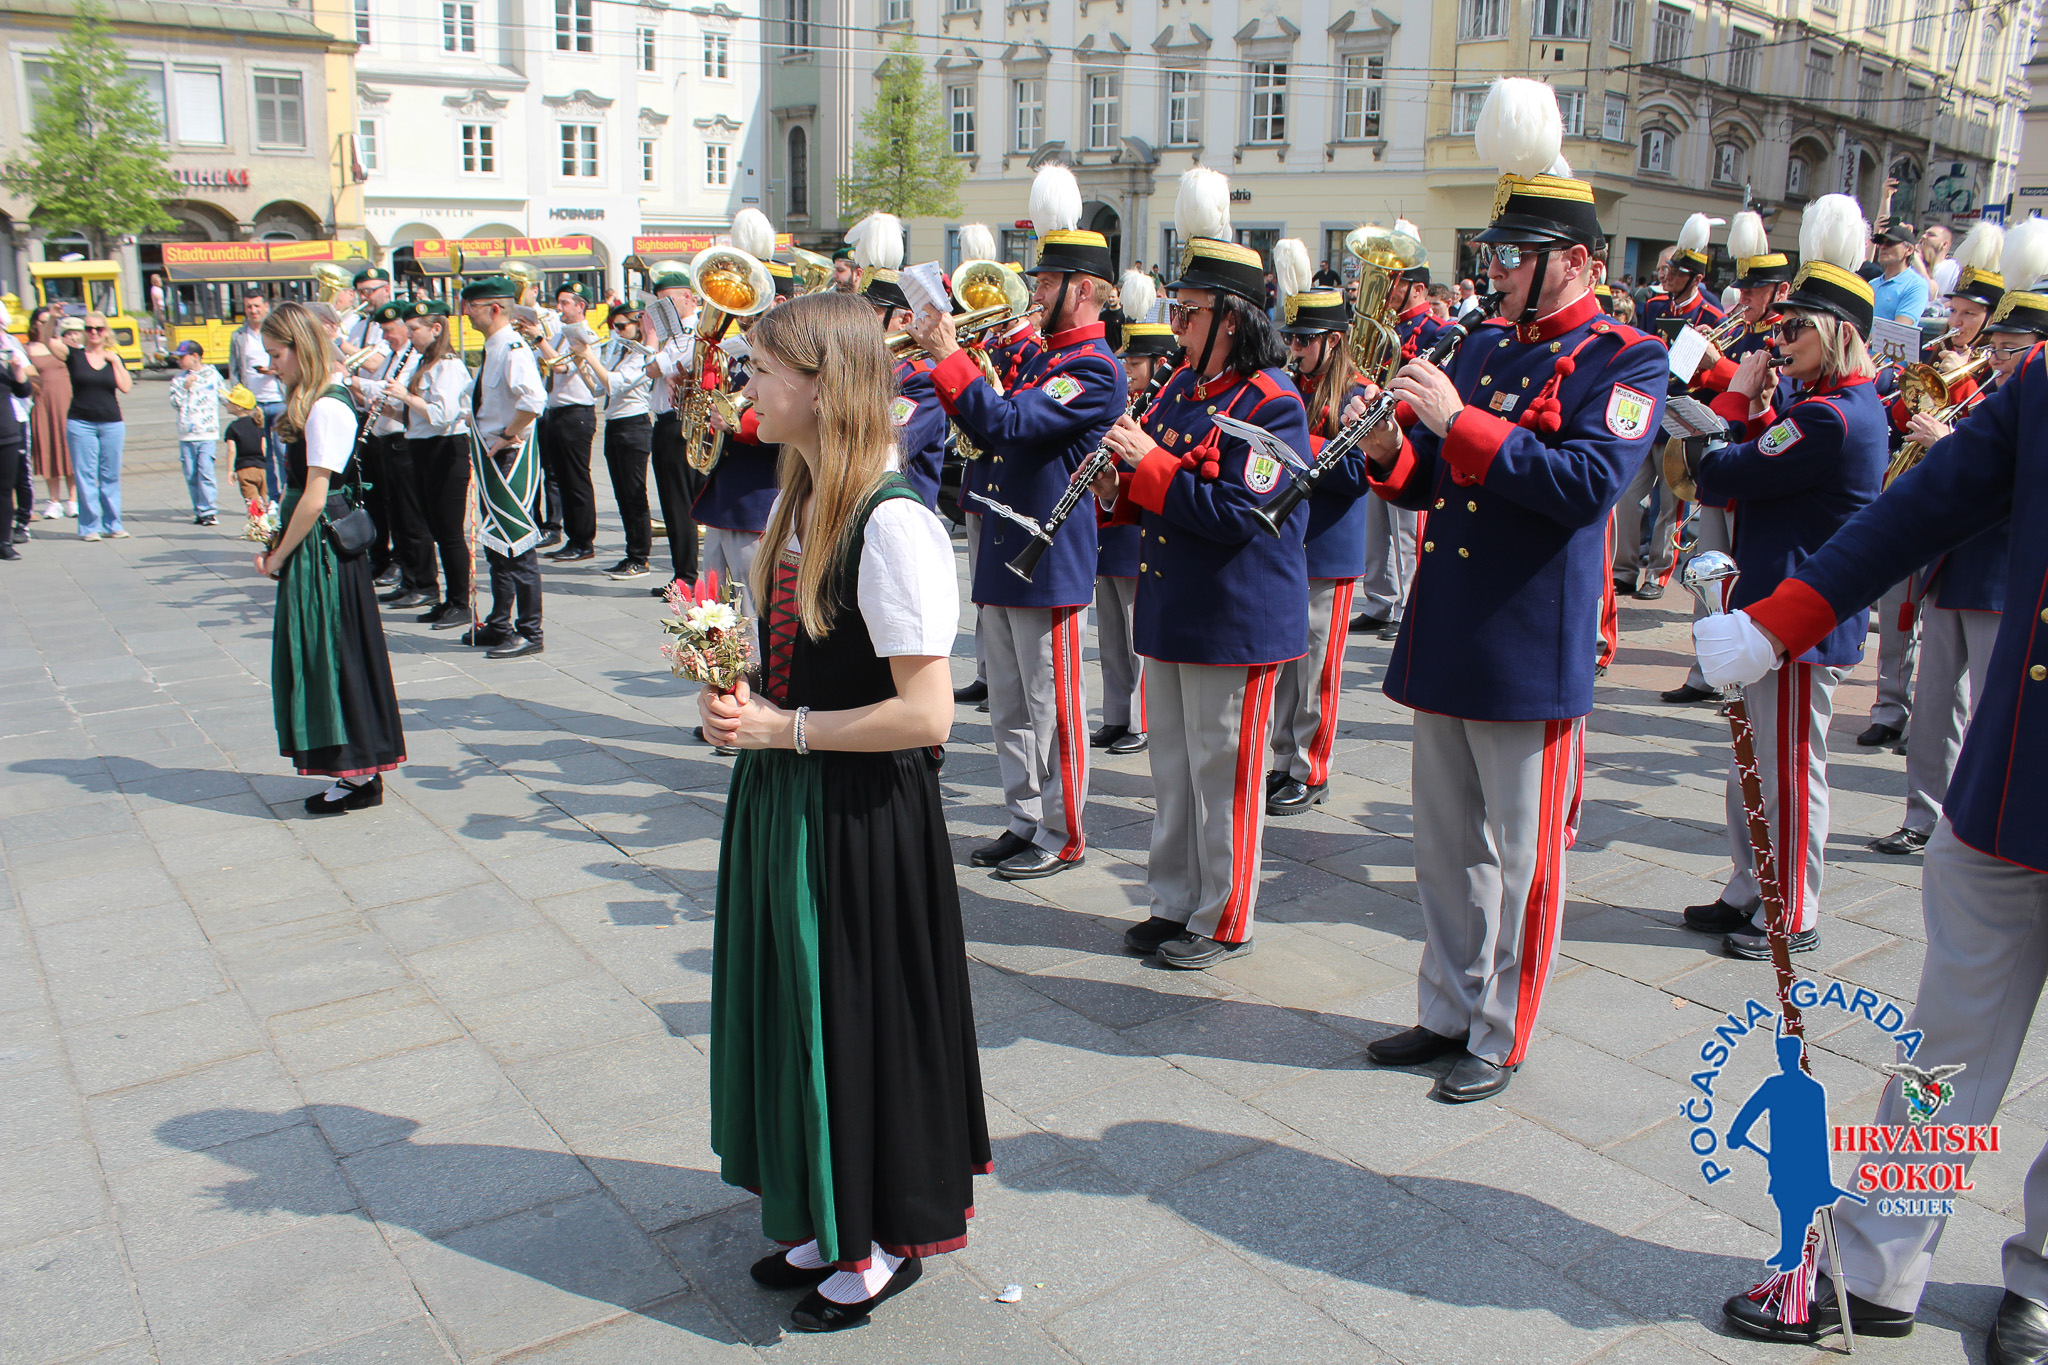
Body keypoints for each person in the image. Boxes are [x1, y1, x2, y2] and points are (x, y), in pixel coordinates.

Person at [1689, 248, 2048, 1359]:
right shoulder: (2042, 381)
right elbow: (1920, 507)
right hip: (2013, 782)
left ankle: (2041, 1277)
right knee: (1945, 1055)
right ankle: (1878, 1261)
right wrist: (1774, 623)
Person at [1354, 77, 1666, 1102]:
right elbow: (1434, 482)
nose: (1493, 270)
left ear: (1574, 261)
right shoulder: (1486, 345)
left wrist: (1458, 422)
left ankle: (1500, 1028)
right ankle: (1445, 1007)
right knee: (1444, 846)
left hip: (1528, 640)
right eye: (1494, 253)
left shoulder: (1627, 359)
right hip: (1450, 626)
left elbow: (1583, 484)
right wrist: (1388, 447)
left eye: (1513, 255)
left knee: (1524, 858)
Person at [699, 290, 989, 1335]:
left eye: (761, 370)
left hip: (857, 812)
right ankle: (829, 1210)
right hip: (793, 791)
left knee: (853, 1015)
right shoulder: (803, 494)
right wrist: (734, 698)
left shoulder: (892, 519)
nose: (745, 385)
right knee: (798, 1012)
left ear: (822, 387)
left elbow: (926, 714)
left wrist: (786, 729)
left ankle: (877, 1238)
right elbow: (799, 661)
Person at [1089, 166, 1309, 969]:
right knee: (1175, 771)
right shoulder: (1185, 386)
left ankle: (1224, 914)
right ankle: (1174, 901)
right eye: (1175, 310)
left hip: (1233, 619)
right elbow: (1161, 493)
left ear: (1233, 319)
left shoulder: (1273, 402)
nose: (1174, 325)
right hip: (1176, 607)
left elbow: (1240, 513)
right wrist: (1116, 485)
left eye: (1188, 313)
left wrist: (1146, 466)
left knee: (1225, 774)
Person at [1680, 194, 1888, 962]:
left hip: (1800, 618)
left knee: (1789, 768)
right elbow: (1756, 470)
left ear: (1835, 333)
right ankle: (1751, 886)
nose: (1780, 337)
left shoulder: (1833, 415)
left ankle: (1792, 905)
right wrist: (1763, 408)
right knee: (1752, 760)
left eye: (1796, 327)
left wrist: (1738, 396)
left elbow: (1718, 471)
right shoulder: (1821, 406)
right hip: (1770, 606)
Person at [908, 167, 1126, 882]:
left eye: (1047, 282)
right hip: (1005, 543)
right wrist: (956, 361)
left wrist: (950, 358)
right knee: (1007, 701)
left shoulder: (1094, 368)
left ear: (1083, 290)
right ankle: (1024, 816)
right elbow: (986, 420)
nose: (1034, 293)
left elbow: (1006, 424)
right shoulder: (1043, 356)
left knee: (1051, 705)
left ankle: (1063, 831)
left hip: (1049, 556)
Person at [1865, 222, 2033, 857]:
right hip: (1951, 567)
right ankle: (1924, 815)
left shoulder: (2030, 407)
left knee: (1987, 707)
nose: (1997, 357)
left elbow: (2017, 482)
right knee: (1935, 705)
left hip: (2001, 575)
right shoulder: (1990, 393)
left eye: (2012, 349)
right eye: (1998, 346)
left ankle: (1976, 819)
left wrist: (1950, 444)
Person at [248, 301, 406, 813]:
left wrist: (278, 555)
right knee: (328, 652)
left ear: (300, 349)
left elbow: (316, 496)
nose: (272, 366)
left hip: (322, 551)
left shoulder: (327, 406)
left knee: (334, 652)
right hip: (315, 545)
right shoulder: (316, 401)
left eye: (277, 354)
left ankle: (358, 772)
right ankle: (355, 771)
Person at [1660, 211, 1797, 705]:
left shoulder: (1787, 336)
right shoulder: (1737, 328)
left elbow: (1780, 404)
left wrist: (1717, 370)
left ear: (1780, 291)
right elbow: (1704, 388)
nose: (1744, 298)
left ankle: (1735, 679)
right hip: (1718, 466)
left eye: (1755, 290)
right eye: (1742, 288)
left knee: (1741, 580)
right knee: (1707, 575)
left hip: (1752, 468)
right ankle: (1707, 671)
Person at [1269, 243, 1369, 815]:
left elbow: (1356, 474)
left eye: (1303, 341)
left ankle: (1311, 768)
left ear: (1332, 340)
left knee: (1317, 669)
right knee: (1288, 662)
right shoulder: (1297, 387)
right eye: (1291, 339)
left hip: (1329, 547)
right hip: (1291, 542)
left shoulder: (1357, 393)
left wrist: (1295, 445)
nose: (1294, 349)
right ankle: (1283, 758)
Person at [1619, 214, 1725, 602]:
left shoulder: (1712, 314)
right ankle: (1624, 569)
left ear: (1696, 277)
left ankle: (1659, 573)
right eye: (1667, 270)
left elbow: (1711, 374)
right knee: (1628, 496)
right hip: (1649, 409)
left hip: (1682, 415)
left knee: (1669, 502)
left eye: (1677, 272)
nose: (1668, 277)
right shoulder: (1654, 305)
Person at [1091, 292, 1172, 757]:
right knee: (1110, 634)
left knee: (1135, 632)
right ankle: (1116, 714)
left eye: (1136, 362)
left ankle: (1139, 721)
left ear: (1159, 363)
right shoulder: (1127, 402)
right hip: (1110, 526)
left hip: (1138, 533)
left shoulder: (1161, 408)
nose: (1128, 369)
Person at [461, 275, 548, 658]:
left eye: (472, 308)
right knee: (497, 545)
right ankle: (500, 623)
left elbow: (534, 400)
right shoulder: (494, 345)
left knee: (517, 545)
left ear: (494, 309)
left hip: (508, 457)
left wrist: (508, 434)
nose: (467, 314)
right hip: (491, 455)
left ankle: (530, 631)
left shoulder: (513, 348)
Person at [384, 300, 473, 629]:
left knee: (450, 533)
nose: (409, 335)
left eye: (414, 329)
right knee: (435, 529)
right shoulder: (426, 362)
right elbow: (419, 418)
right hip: (423, 447)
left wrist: (405, 396)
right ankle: (448, 599)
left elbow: (443, 415)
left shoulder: (447, 365)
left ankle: (461, 602)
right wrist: (389, 408)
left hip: (445, 450)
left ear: (436, 329)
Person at [349, 302, 433, 608]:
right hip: (384, 439)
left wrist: (352, 381)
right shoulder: (393, 356)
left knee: (412, 518)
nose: (387, 337)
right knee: (396, 516)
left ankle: (425, 583)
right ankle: (408, 580)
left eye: (391, 331)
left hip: (403, 441)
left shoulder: (414, 358)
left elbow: (392, 390)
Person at [582, 297, 657, 580]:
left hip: (634, 425)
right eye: (615, 326)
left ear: (638, 324)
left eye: (623, 326)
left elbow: (615, 383)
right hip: (615, 425)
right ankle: (631, 553)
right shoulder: (622, 352)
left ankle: (640, 557)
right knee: (622, 494)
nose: (617, 331)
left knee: (634, 494)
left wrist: (588, 355)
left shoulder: (643, 354)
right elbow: (598, 389)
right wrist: (583, 362)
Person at [527, 282, 602, 562]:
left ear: (580, 306)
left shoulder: (584, 335)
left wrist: (538, 338)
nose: (559, 308)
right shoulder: (559, 334)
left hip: (576, 413)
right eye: (558, 302)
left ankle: (584, 540)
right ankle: (572, 538)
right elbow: (541, 361)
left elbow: (560, 365)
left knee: (576, 479)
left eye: (565, 303)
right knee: (561, 477)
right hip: (556, 412)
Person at [48, 311, 131, 541]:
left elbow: (126, 387)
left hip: (111, 423)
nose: (94, 332)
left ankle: (113, 524)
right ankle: (89, 527)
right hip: (81, 423)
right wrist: (53, 320)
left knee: (110, 476)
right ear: (84, 332)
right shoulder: (75, 355)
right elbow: (49, 343)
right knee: (85, 477)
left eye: (99, 328)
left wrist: (116, 362)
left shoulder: (112, 358)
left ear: (106, 332)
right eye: (89, 328)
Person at [648, 271, 703, 597]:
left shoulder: (693, 332)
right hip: (667, 422)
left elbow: (654, 368)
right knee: (674, 503)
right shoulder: (673, 335)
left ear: (689, 298)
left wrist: (651, 338)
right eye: (659, 304)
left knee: (680, 503)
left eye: (668, 301)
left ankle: (687, 577)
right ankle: (684, 574)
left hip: (681, 422)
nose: (663, 309)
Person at [231, 290, 287, 499]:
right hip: (255, 404)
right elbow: (234, 370)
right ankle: (271, 497)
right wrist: (239, 400)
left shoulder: (277, 332)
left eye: (256, 306)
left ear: (266, 307)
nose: (253, 310)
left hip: (279, 399)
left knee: (283, 451)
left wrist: (274, 371)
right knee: (262, 454)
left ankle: (288, 493)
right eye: (249, 307)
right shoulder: (239, 336)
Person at [166, 340, 227, 525]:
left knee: (205, 470)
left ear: (195, 357)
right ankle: (199, 510)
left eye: (182, 357)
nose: (178, 361)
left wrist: (243, 407)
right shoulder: (178, 379)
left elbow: (224, 395)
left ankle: (209, 510)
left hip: (207, 433)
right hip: (186, 434)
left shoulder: (212, 374)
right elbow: (175, 403)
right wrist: (184, 387)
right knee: (191, 474)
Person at [25, 307, 74, 520]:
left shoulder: (61, 344)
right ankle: (54, 501)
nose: (47, 326)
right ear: (34, 324)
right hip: (42, 404)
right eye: (42, 322)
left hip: (67, 402)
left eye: (50, 321)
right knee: (48, 449)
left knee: (69, 448)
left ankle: (73, 499)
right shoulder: (27, 348)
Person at [0, 335, 30, 559]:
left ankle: (4, 542)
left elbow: (23, 391)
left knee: (4, 491)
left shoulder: (5, 360)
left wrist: (18, 370)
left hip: (6, 433)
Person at [1870, 219, 1932, 324]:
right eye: (1881, 243)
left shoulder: (1916, 285)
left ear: (1909, 250)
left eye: (1890, 243)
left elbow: (1899, 329)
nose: (1883, 247)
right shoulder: (1872, 284)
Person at [224, 386, 267, 510]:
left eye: (229, 402)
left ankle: (257, 521)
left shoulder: (233, 427)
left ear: (239, 407)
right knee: (264, 501)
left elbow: (232, 450)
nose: (226, 404)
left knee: (253, 504)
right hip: (261, 468)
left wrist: (230, 471)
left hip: (244, 469)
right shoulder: (258, 423)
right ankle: (267, 520)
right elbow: (263, 446)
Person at [338, 266, 394, 356]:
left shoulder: (394, 323)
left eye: (368, 291)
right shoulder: (360, 325)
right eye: (359, 292)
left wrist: (338, 342)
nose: (362, 297)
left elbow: (376, 362)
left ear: (387, 290)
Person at [1919, 223, 1958, 298]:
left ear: (1944, 244)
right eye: (1924, 233)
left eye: (1931, 235)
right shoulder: (1909, 262)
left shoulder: (1954, 268)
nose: (1923, 236)